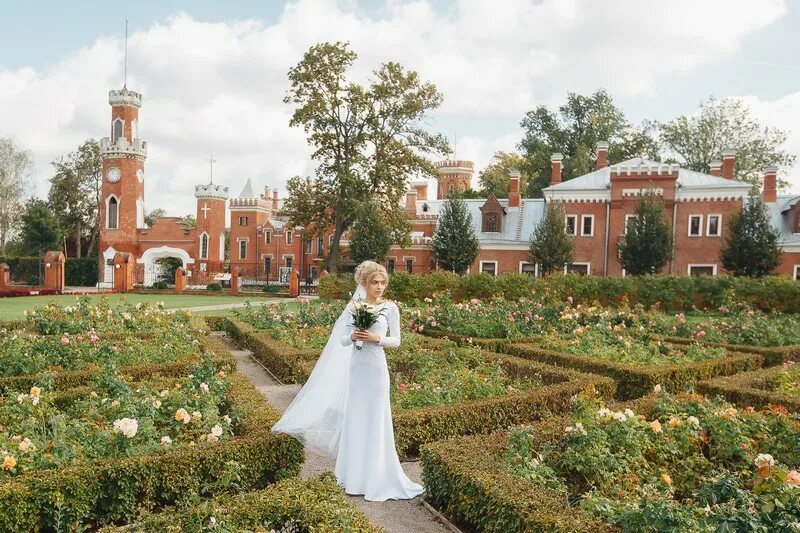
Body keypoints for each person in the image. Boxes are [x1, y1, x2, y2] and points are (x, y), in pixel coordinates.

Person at [271, 260, 423, 501]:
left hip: (376, 368)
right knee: (356, 417)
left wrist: (377, 338)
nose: (380, 287)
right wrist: (352, 336)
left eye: (383, 283)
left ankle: (378, 477)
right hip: (357, 367)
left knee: (376, 418)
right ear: (365, 283)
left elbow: (397, 340)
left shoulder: (390, 308)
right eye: (375, 282)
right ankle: (353, 477)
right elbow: (341, 340)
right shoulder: (355, 307)